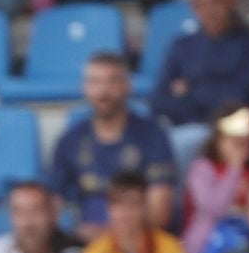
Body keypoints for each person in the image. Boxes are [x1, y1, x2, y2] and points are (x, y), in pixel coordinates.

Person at [48, 53, 179, 243]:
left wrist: (109, 235)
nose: (103, 91)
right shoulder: (70, 140)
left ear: (127, 86)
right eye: (95, 82)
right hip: (85, 246)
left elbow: (160, 214)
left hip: (140, 244)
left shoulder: (152, 135)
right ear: (85, 88)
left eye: (112, 81)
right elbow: (52, 205)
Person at [151, 0, 249, 170]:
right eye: (199, 4)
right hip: (188, 126)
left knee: (179, 145)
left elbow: (239, 99)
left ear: (231, 0)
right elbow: (159, 100)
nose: (209, 10)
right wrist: (208, 96)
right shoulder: (182, 46)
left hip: (238, 134)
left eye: (215, 0)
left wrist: (190, 90)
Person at [181, 105, 249, 253]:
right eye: (234, 139)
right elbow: (213, 209)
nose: (241, 145)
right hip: (204, 249)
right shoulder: (202, 169)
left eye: (245, 140)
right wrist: (235, 168)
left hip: (248, 251)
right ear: (218, 139)